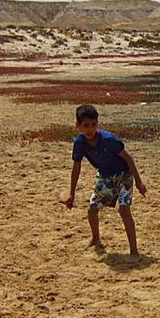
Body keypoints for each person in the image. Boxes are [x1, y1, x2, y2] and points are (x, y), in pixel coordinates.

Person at [63, 104, 147, 256]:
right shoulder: (80, 143)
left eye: (93, 125)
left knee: (124, 210)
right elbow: (76, 168)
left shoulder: (109, 140)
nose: (90, 129)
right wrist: (71, 194)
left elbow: (128, 158)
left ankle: (134, 251)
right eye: (86, 125)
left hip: (124, 175)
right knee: (92, 209)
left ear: (97, 123)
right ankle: (96, 238)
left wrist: (139, 182)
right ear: (78, 126)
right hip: (105, 176)